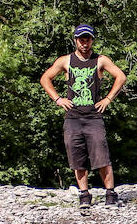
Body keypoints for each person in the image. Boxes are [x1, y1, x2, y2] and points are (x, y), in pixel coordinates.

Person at [40, 24, 127, 208]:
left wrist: (108, 99)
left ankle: (110, 193)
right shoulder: (66, 61)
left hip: (94, 117)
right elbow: (45, 78)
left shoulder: (100, 60)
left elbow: (120, 76)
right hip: (72, 117)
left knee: (101, 155)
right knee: (76, 155)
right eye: (81, 39)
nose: (84, 43)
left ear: (92, 40)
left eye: (87, 39)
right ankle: (84, 195)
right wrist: (58, 99)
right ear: (75, 40)